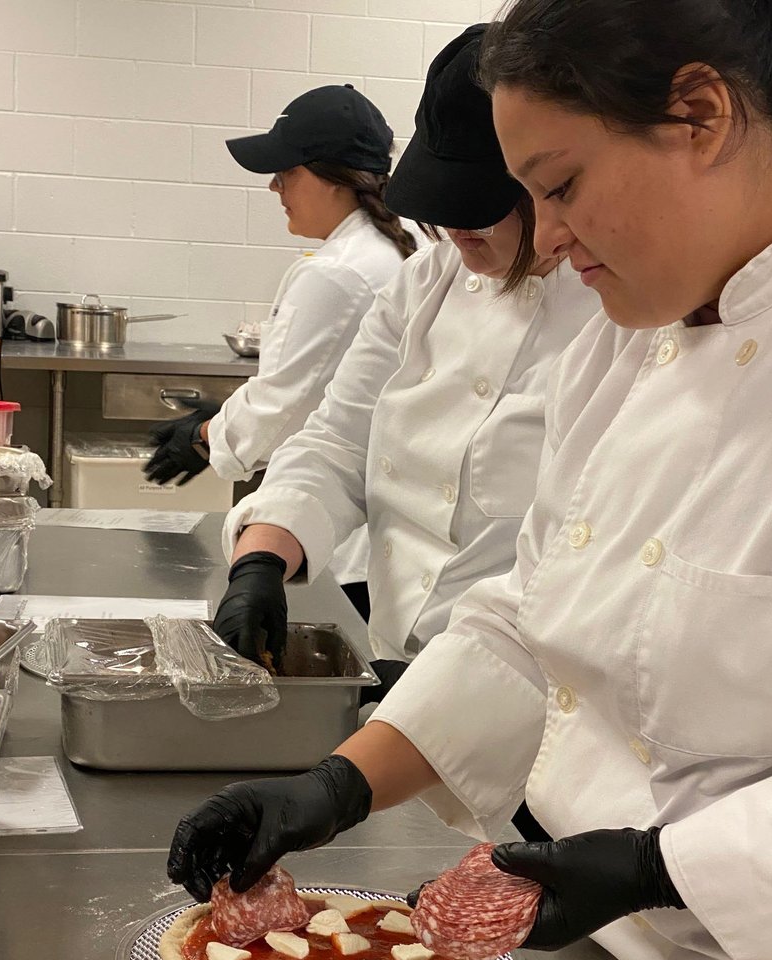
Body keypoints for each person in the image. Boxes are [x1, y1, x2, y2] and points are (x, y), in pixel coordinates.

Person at [170, 2, 772, 960]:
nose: (545, 241)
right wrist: (341, 783)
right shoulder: (631, 320)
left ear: (701, 114)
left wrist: (664, 869)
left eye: (560, 185)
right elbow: (530, 608)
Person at [208, 24, 600, 721]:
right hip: (393, 658)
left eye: (478, 211)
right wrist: (265, 553)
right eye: (443, 211)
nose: (455, 232)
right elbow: (338, 440)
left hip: (531, 700)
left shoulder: (613, 309)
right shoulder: (425, 286)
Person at [144, 84, 415, 616]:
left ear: (335, 178)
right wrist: (219, 426)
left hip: (342, 547)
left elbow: (282, 407)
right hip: (384, 536)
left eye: (287, 172)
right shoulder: (399, 247)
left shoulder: (336, 274)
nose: (274, 187)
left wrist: (204, 436)